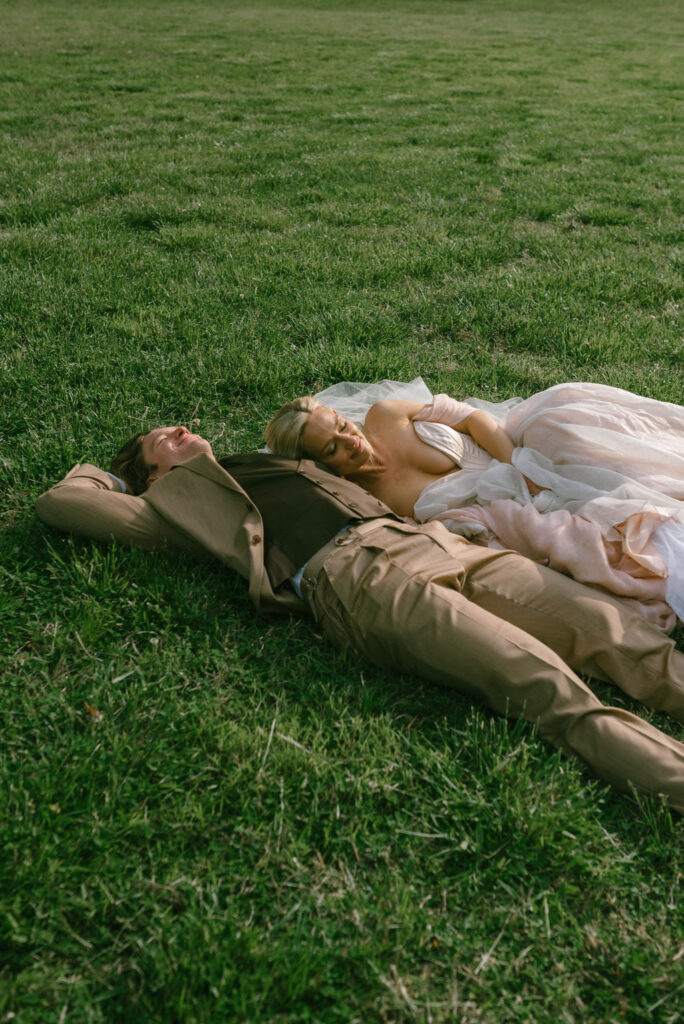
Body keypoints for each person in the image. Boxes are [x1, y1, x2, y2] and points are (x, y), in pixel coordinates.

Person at [36, 425, 684, 814]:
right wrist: (124, 486)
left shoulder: (256, 457)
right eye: (164, 440)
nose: (181, 432)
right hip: (359, 578)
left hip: (436, 544)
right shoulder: (175, 508)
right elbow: (63, 502)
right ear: (152, 474)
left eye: (178, 427)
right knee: (543, 687)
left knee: (618, 634)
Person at [265, 379, 684, 628]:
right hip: (503, 507)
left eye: (341, 425)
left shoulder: (385, 415)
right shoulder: (370, 499)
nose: (351, 441)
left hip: (513, 450)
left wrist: (520, 467)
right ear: (321, 465)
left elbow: (471, 419)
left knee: (561, 426)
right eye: (334, 448)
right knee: (589, 536)